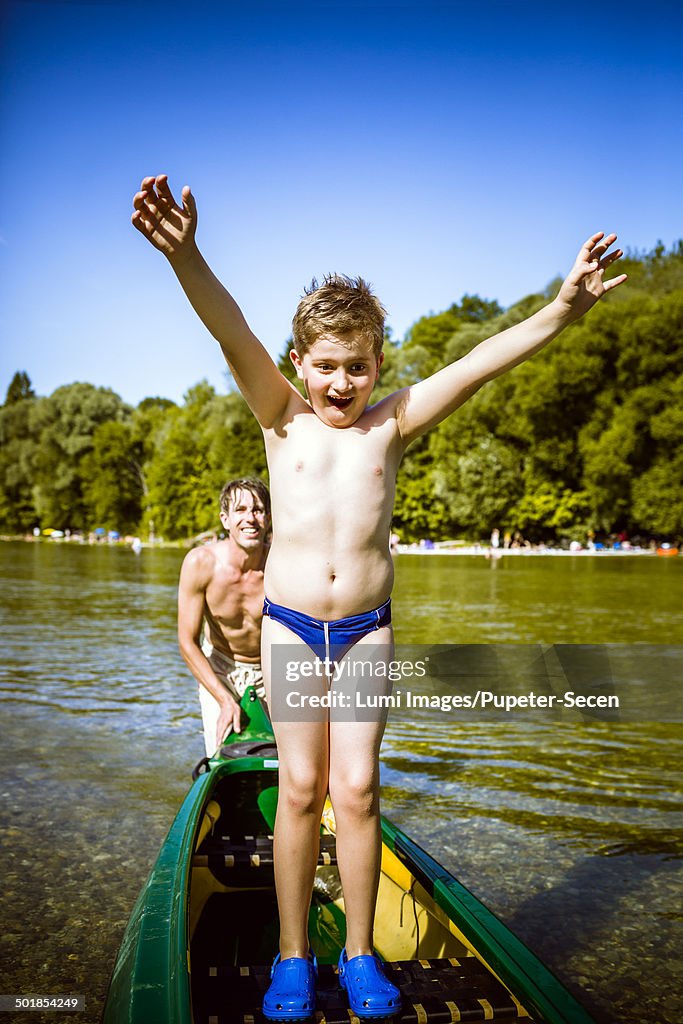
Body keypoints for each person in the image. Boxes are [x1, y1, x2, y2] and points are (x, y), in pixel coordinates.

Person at [132, 174, 626, 1020]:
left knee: (356, 792)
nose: (339, 383)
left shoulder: (391, 423)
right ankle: (293, 956)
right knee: (298, 788)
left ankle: (358, 953)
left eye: (356, 367)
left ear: (377, 365)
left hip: (363, 633)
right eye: (324, 367)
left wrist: (562, 310)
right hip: (289, 629)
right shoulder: (278, 416)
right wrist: (185, 254)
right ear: (299, 365)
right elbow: (230, 328)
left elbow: (477, 363)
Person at [177, 477, 270, 757]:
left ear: (269, 518)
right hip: (221, 667)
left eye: (258, 510)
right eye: (240, 510)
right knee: (223, 756)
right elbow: (186, 641)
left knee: (296, 764)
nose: (250, 518)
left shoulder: (281, 565)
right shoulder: (201, 563)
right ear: (225, 519)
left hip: (273, 671)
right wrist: (223, 698)